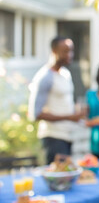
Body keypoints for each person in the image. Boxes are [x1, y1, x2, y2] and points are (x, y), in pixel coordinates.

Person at [28, 36, 85, 164]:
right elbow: (35, 114)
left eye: (71, 50)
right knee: (59, 179)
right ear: (54, 51)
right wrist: (69, 117)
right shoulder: (45, 77)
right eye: (65, 51)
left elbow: (64, 105)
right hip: (53, 138)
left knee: (66, 177)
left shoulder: (66, 74)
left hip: (68, 136)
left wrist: (77, 114)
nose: (69, 54)